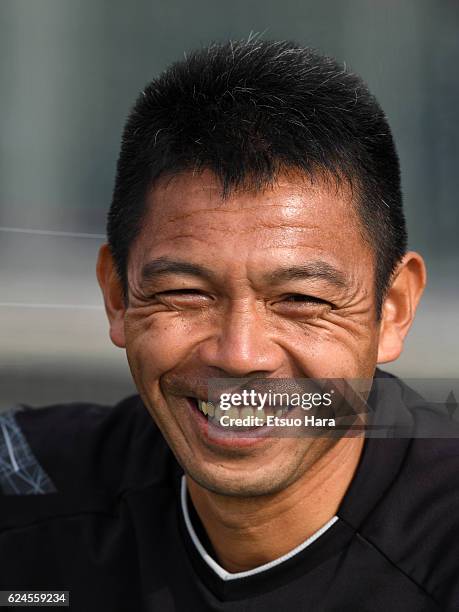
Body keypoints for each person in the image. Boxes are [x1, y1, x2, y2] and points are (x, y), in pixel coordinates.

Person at [1, 39, 458, 612]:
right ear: (118, 295)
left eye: (299, 298)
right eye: (186, 294)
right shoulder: (30, 487)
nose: (240, 354)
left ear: (391, 309)